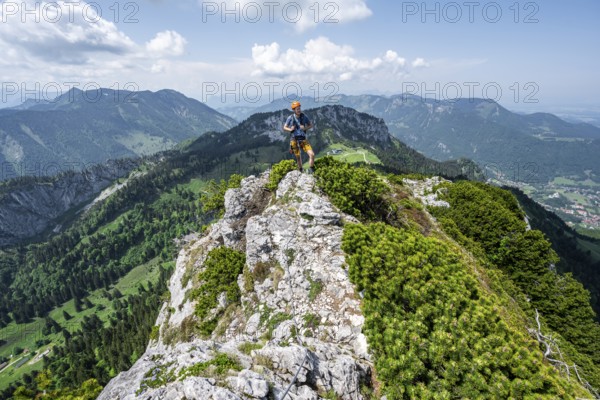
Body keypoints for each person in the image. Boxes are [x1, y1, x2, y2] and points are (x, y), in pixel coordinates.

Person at [283, 100, 315, 173]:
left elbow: (310, 125)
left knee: (312, 154)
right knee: (298, 157)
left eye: (299, 108)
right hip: (294, 139)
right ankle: (301, 171)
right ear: (294, 110)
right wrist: (290, 129)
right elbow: (284, 127)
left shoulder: (304, 117)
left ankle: (311, 170)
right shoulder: (290, 118)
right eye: (297, 109)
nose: (299, 110)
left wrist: (304, 128)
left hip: (303, 139)